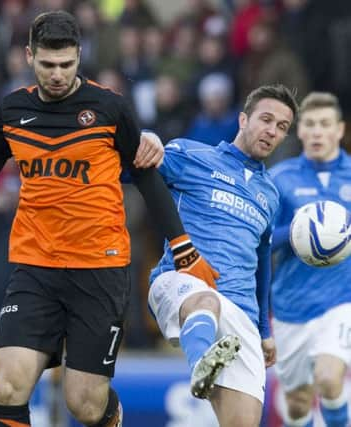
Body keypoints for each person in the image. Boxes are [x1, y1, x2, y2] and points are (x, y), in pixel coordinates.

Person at [0, 11, 217, 427]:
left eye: (66, 64)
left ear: (78, 57)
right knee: (7, 387)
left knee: (85, 405)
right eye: (47, 64)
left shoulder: (110, 108)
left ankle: (111, 414)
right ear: (29, 56)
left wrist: (182, 247)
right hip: (35, 266)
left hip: (99, 268)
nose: (57, 74)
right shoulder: (12, 110)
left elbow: (147, 178)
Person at [148, 84, 298, 427]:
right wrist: (145, 137)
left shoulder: (270, 194)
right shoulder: (191, 155)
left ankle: (209, 362)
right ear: (243, 119)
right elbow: (134, 170)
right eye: (266, 119)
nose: (272, 131)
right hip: (184, 281)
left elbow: (262, 264)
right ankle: (203, 361)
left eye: (282, 127)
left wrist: (263, 330)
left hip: (241, 313)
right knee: (206, 302)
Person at [269, 92, 351, 427]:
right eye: (310, 124)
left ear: (340, 130)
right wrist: (297, 232)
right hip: (291, 304)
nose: (317, 132)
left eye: (325, 125)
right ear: (299, 130)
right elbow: (261, 241)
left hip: (340, 301)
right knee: (298, 404)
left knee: (330, 380)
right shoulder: (280, 178)